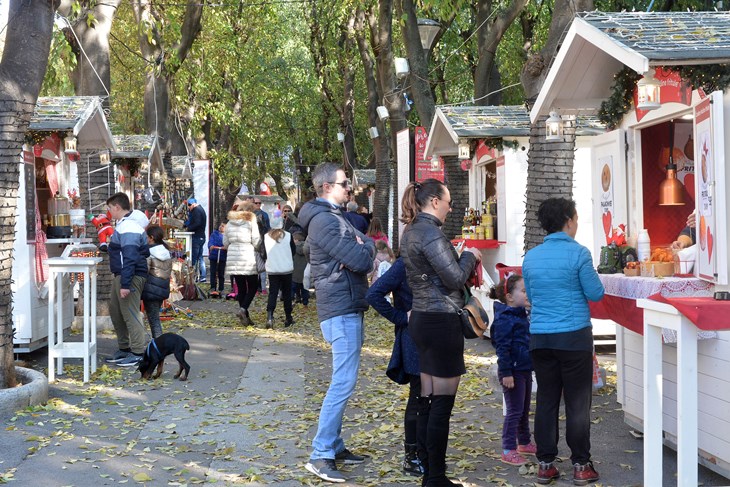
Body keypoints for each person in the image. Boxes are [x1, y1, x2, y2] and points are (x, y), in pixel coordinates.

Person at [399, 178, 480, 487]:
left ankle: (429, 472)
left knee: (429, 400)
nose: (450, 209)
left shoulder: (411, 231)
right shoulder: (431, 234)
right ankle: (436, 477)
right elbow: (455, 277)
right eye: (448, 203)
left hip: (422, 318)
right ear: (434, 202)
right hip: (441, 320)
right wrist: (469, 254)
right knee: (441, 405)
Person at [299, 162, 376, 483]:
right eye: (345, 183)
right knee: (342, 383)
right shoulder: (324, 221)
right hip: (340, 307)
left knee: (343, 380)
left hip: (345, 303)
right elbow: (363, 257)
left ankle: (334, 444)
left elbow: (367, 244)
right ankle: (320, 454)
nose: (350, 188)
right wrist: (363, 250)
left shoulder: (333, 217)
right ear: (327, 187)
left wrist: (364, 247)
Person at [521, 197, 604, 486]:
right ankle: (581, 465)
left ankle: (545, 464)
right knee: (577, 403)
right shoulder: (580, 254)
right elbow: (595, 293)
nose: (577, 223)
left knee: (546, 399)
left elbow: (530, 296)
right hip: (573, 337)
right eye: (576, 218)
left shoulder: (530, 257)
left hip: (541, 338)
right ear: (568, 220)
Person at [366, 257, 424, 477]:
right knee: (418, 396)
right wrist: (401, 317)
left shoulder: (437, 258)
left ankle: (425, 452)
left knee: (432, 398)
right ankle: (412, 456)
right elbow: (373, 294)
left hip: (436, 337)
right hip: (414, 339)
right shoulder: (405, 264)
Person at [488, 274, 536, 466]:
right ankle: (508, 448)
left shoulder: (520, 314)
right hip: (512, 372)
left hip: (524, 368)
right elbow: (502, 348)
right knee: (514, 411)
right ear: (509, 297)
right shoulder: (505, 319)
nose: (527, 294)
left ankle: (524, 442)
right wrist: (506, 372)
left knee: (524, 409)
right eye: (523, 291)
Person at [104, 192, 150, 367]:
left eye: (110, 209)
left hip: (128, 275)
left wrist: (125, 284)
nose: (109, 213)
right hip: (124, 274)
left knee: (130, 313)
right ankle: (124, 348)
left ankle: (138, 352)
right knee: (117, 312)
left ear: (117, 207)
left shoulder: (128, 226)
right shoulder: (126, 225)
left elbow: (129, 256)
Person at [224, 201, 260, 327]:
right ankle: (243, 309)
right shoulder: (251, 221)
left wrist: (232, 248)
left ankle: (245, 316)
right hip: (247, 254)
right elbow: (256, 239)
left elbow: (225, 242)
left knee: (241, 287)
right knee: (253, 285)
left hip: (234, 256)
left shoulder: (229, 222)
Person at [141, 225, 172, 338]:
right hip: (162, 288)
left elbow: (145, 271)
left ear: (151, 237)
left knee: (154, 320)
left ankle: (158, 344)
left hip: (150, 289)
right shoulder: (166, 251)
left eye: (146, 236)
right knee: (155, 318)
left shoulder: (149, 252)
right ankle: (158, 342)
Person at [264, 227, 296, 328]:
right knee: (287, 293)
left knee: (273, 293)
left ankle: (270, 315)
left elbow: (263, 252)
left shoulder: (266, 236)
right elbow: (293, 250)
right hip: (286, 268)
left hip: (273, 269)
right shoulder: (288, 235)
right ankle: (288, 317)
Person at [184, 198, 207, 283]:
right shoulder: (200, 209)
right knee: (200, 257)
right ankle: (203, 276)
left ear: (193, 204)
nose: (189, 208)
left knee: (193, 257)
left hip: (197, 237)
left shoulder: (196, 210)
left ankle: (192, 276)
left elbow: (197, 223)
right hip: (201, 237)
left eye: (189, 205)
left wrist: (188, 228)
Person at [253, 197, 270, 294]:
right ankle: (256, 288)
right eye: (256, 203)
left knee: (262, 266)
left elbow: (267, 228)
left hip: (262, 243)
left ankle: (263, 288)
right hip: (253, 243)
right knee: (255, 267)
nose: (258, 204)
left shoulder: (265, 215)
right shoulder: (250, 215)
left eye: (260, 203)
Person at [208, 222, 227, 298]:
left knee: (221, 273)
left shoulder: (226, 236)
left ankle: (221, 288)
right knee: (213, 272)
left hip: (222, 256)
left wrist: (225, 247)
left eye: (223, 226)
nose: (221, 227)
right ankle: (213, 287)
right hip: (214, 256)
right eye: (220, 225)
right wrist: (211, 246)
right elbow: (210, 242)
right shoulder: (214, 234)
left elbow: (227, 244)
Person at [291, 231, 310, 307]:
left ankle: (292, 300)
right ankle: (305, 303)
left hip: (295, 272)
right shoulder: (307, 247)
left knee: (293, 288)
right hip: (304, 271)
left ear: (296, 240)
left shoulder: (293, 248)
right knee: (304, 288)